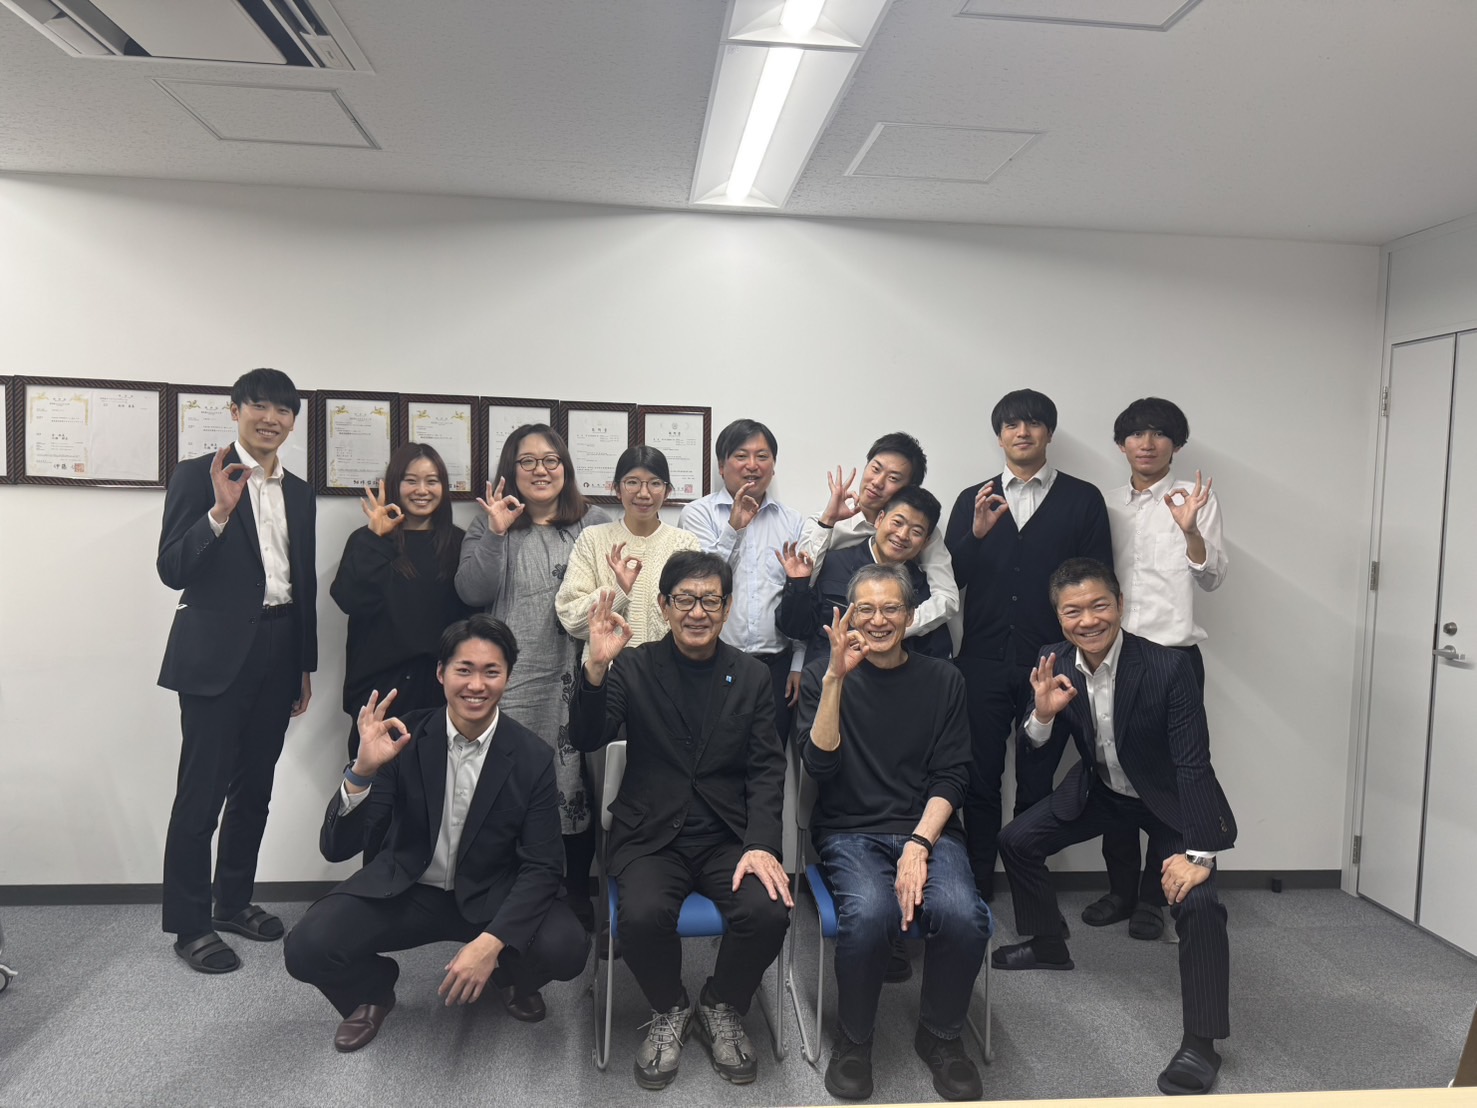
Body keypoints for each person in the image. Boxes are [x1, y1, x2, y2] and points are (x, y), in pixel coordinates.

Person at [283, 616, 591, 1052]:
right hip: (408, 890)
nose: (476, 685)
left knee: (567, 947)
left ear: (508, 677)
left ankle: (509, 975)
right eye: (464, 669)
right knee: (305, 947)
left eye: (491, 671)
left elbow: (543, 866)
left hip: (490, 893)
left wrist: (491, 943)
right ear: (441, 672)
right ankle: (372, 991)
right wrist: (362, 771)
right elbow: (337, 848)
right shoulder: (403, 737)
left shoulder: (532, 755)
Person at [993, 559, 1236, 1097]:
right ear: (1059, 618)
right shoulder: (1052, 660)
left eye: (1099, 605)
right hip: (1103, 789)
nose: (1088, 620)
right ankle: (1049, 944)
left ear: (1121, 605)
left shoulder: (1168, 666)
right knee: (1017, 840)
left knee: (1198, 903)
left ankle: (1201, 1043)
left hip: (1170, 800)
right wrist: (1042, 717)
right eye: (1072, 611)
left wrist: (1200, 854)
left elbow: (1193, 763)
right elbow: (1033, 755)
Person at [570, 551, 791, 1091]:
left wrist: (762, 844)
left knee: (768, 912)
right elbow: (587, 737)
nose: (698, 612)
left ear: (728, 607)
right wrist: (594, 669)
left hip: (727, 835)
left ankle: (721, 1003)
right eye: (685, 599)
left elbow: (767, 768)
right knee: (642, 916)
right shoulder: (633, 666)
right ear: (664, 606)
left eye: (710, 600)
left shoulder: (752, 675)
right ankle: (670, 1005)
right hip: (651, 834)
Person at [798, 564, 992, 1102]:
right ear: (848, 616)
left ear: (909, 617)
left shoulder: (944, 680)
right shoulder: (820, 676)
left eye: (891, 609)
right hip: (849, 830)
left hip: (928, 828)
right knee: (870, 915)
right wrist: (836, 679)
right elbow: (819, 767)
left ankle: (941, 1036)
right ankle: (854, 1040)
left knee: (963, 915)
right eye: (865, 609)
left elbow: (953, 775)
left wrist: (919, 844)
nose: (878, 620)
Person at [157, 367, 316, 975]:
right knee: (201, 794)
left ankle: (232, 901)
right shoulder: (197, 476)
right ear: (235, 410)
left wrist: (304, 665)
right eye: (259, 406)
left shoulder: (299, 492)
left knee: (255, 788)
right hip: (215, 656)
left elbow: (303, 581)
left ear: (293, 421)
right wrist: (219, 515)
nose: (271, 418)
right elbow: (172, 569)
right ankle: (190, 925)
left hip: (280, 646)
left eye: (283, 410)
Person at [943, 389, 1112, 900]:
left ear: (1049, 433)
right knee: (980, 777)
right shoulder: (973, 498)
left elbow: (1096, 580)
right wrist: (975, 534)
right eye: (1012, 425)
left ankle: (1026, 883)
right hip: (982, 661)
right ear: (999, 437)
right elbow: (949, 580)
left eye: (1033, 423)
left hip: (1053, 661)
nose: (1023, 432)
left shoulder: (1082, 499)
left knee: (1038, 779)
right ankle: (977, 880)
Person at [456, 424, 608, 931]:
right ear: (511, 469)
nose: (541, 470)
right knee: (513, 782)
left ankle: (576, 892)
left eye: (551, 460)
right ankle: (511, 894)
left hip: (581, 673)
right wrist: (497, 532)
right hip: (516, 679)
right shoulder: (487, 524)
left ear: (565, 467)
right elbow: (472, 592)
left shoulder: (595, 523)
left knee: (577, 781)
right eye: (528, 461)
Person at [1093, 398, 1228, 940]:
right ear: (1121, 444)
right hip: (1112, 654)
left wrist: (1191, 530)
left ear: (1176, 443)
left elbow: (1213, 579)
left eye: (1159, 433)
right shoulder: (1106, 503)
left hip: (1173, 658)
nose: (1146, 443)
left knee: (1170, 779)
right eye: (1136, 434)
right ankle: (1120, 889)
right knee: (1111, 771)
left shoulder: (1196, 499)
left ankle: (1154, 895)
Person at [331, 443, 471, 759]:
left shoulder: (458, 542)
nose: (422, 490)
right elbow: (349, 599)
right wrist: (376, 537)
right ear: (395, 484)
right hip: (380, 688)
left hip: (440, 687)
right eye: (411, 480)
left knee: (436, 779)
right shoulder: (367, 539)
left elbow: (471, 618)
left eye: (432, 481)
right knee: (374, 780)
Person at [679, 419, 805, 743]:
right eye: (741, 456)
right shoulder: (698, 514)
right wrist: (734, 528)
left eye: (762, 456)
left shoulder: (792, 521)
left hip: (775, 668)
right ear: (722, 466)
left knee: (769, 758)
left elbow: (800, 596)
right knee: (710, 756)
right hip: (712, 665)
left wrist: (798, 662)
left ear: (773, 467)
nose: (752, 465)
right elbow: (702, 582)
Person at [798, 432, 958, 646]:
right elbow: (801, 584)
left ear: (909, 488)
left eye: (893, 478)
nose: (877, 482)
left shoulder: (917, 530)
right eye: (875, 469)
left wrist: (896, 627)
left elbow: (947, 598)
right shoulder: (825, 520)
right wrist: (828, 521)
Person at [777, 485, 953, 668]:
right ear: (880, 519)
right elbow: (796, 629)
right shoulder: (833, 564)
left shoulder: (922, 588)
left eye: (916, 532)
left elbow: (935, 657)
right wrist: (798, 584)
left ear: (925, 542)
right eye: (897, 522)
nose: (902, 535)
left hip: (891, 682)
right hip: (828, 676)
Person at [556, 445, 700, 647]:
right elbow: (571, 618)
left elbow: (694, 614)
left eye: (655, 483)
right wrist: (618, 590)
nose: (644, 493)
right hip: (606, 664)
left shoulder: (685, 543)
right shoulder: (592, 539)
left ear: (667, 491)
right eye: (632, 482)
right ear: (617, 489)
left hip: (670, 665)